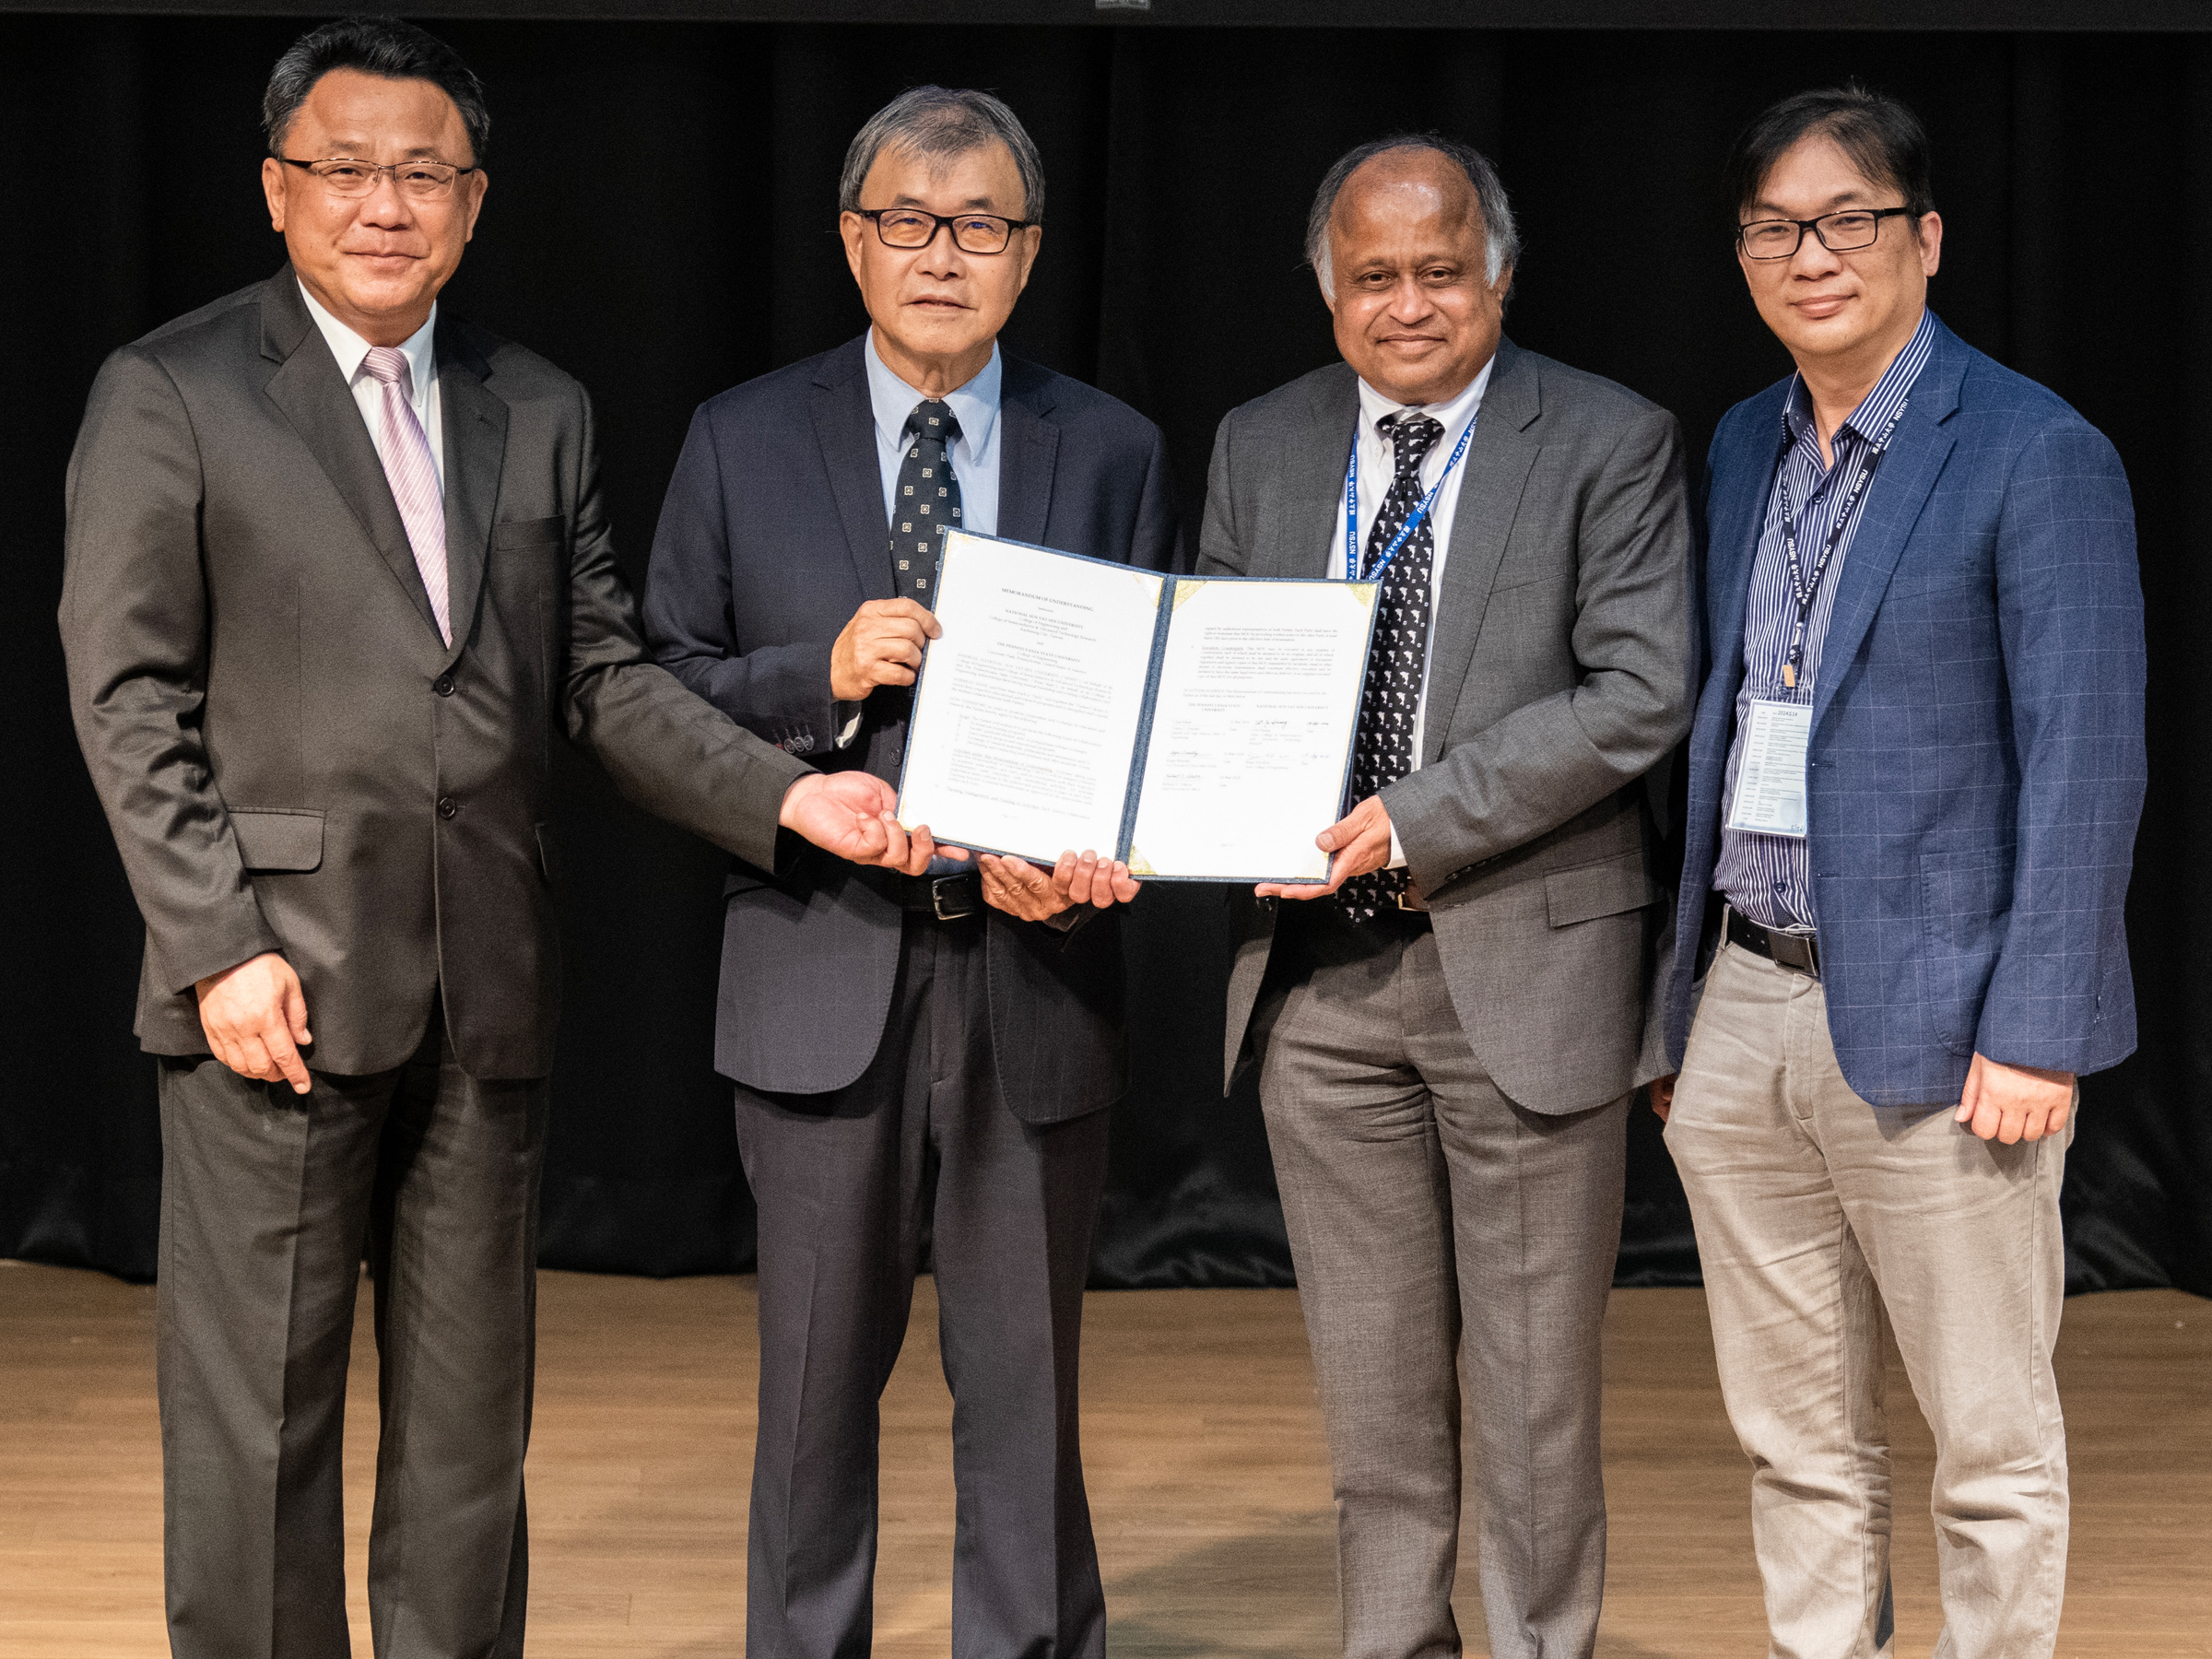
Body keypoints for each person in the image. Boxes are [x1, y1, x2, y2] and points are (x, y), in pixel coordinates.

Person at [57, 19, 936, 1658]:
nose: (384, 204)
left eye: (423, 173)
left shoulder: (536, 405)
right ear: (275, 189)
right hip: (275, 995)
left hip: (490, 987)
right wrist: (216, 946)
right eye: (346, 169)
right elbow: (125, 696)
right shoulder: (170, 393)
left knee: (471, 1445)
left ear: (472, 201)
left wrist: (784, 792)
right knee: (259, 1437)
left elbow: (594, 675)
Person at [642, 86, 1179, 1659]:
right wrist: (816, 673)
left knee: (1026, 1396)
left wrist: (1097, 860)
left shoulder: (1114, 447)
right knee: (812, 1401)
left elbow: (1150, 708)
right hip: (823, 969)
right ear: (850, 241)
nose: (941, 255)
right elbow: (654, 684)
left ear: (1026, 253)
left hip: (1035, 975)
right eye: (907, 222)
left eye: (980, 226)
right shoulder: (742, 435)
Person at [1652, 84, 2145, 1659]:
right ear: (1743, 254)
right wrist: (1687, 1019)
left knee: (1989, 1449)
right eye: (1775, 228)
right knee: (1794, 1436)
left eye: (1849, 219)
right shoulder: (1742, 440)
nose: (1813, 255)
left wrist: (2040, 1026)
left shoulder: (2033, 451)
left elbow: (2088, 758)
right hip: (1746, 998)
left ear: (1925, 240)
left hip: (1949, 1026)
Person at [1200, 135, 1692, 1659]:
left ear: (1499, 274)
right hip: (1318, 988)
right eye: (1373, 276)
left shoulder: (1609, 438)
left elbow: (1639, 691)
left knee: (1538, 1399)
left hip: (1523, 973)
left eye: (1440, 270)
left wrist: (1408, 822)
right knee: (1375, 1395)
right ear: (1328, 289)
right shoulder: (1261, 443)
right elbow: (1214, 681)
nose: (1407, 304)